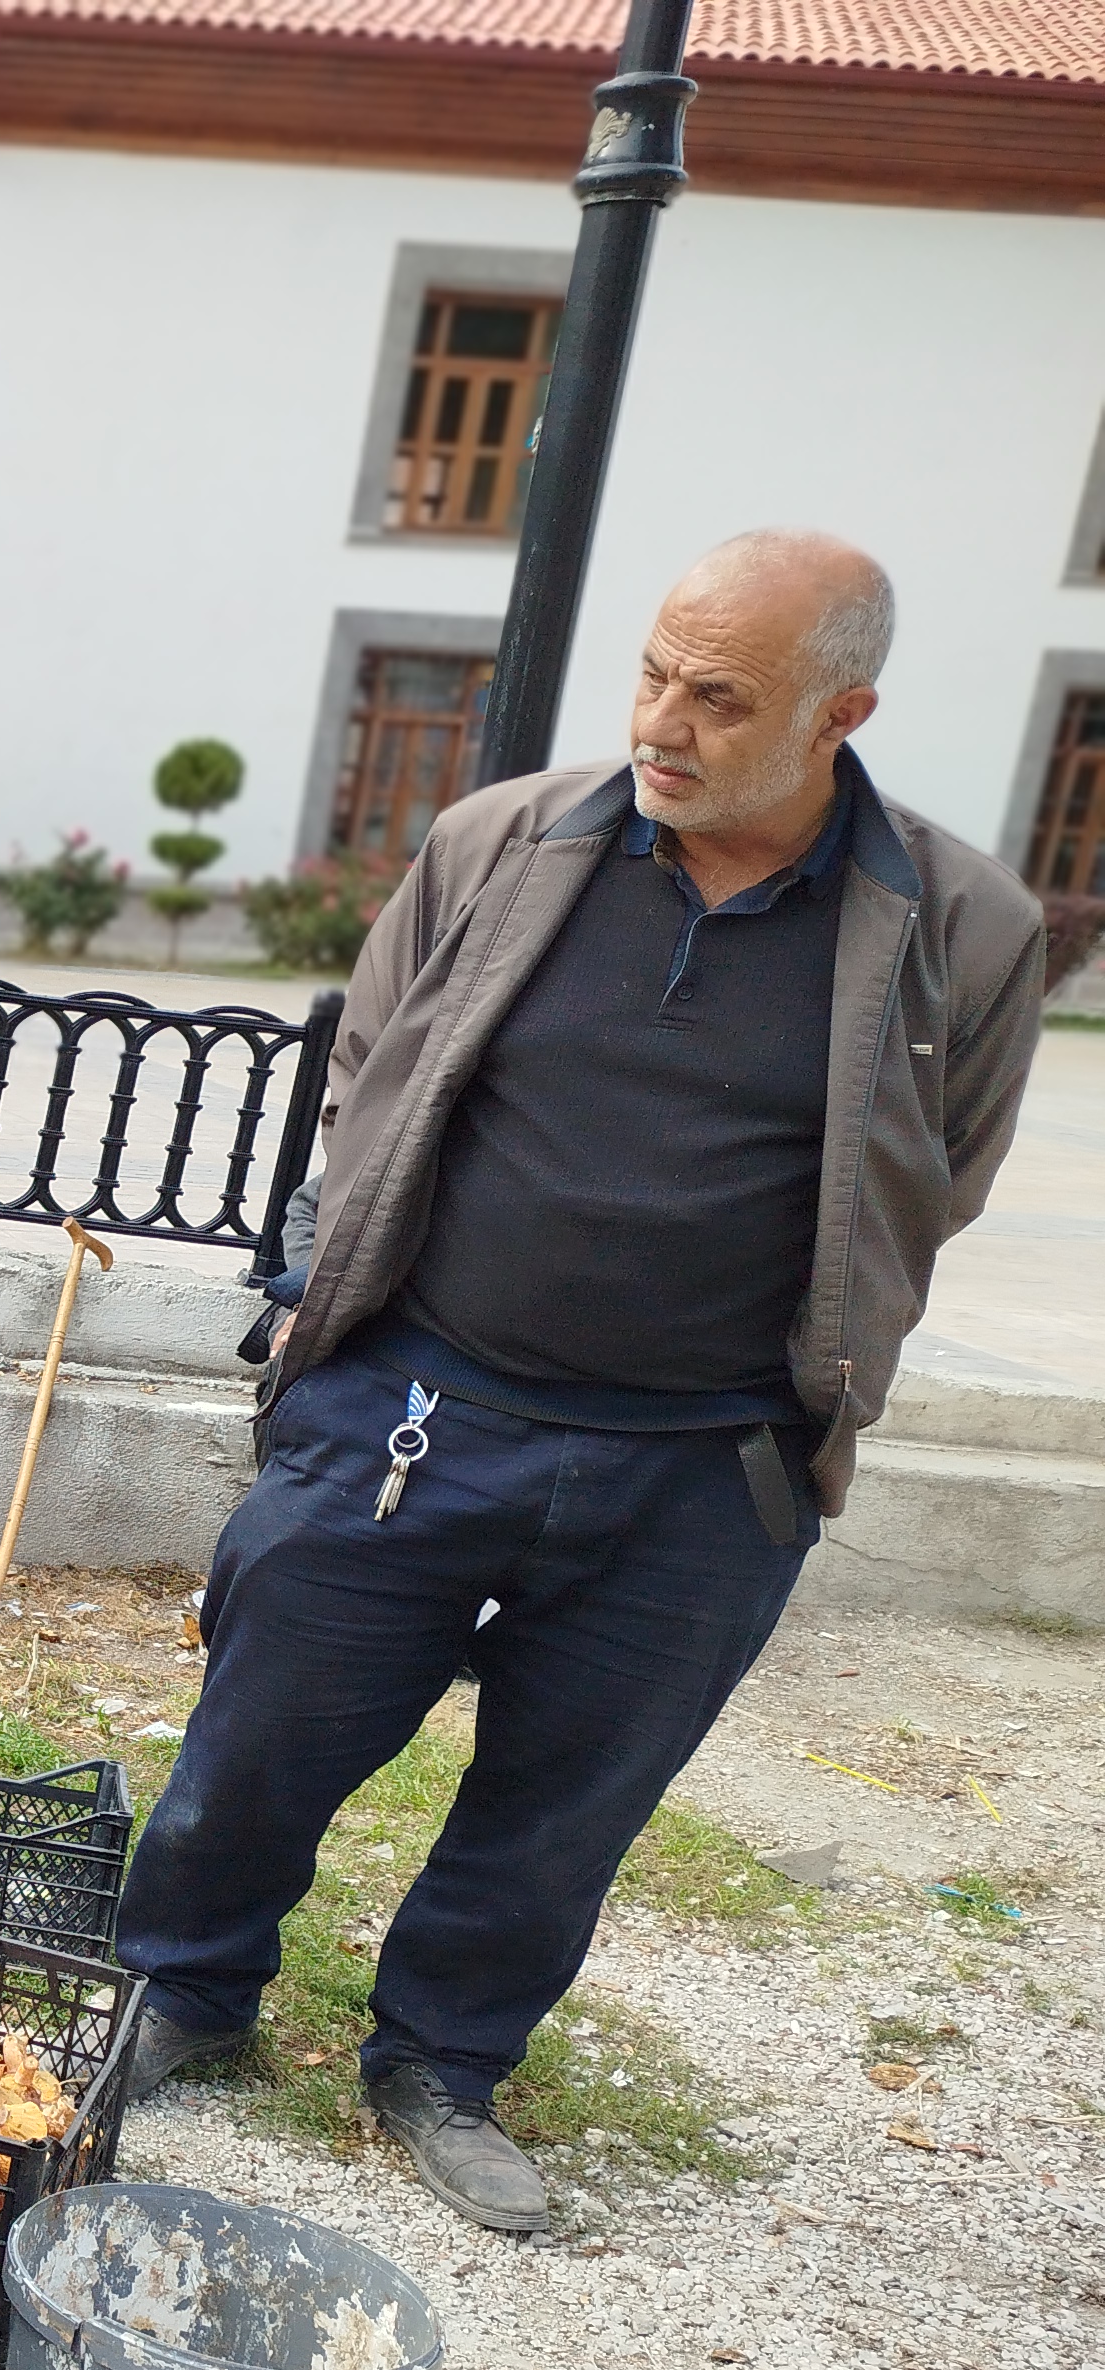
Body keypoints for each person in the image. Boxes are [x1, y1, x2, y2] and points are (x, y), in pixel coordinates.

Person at [118, 532, 1050, 2233]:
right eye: (653, 673)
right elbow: (374, 1076)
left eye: (721, 696)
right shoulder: (504, 842)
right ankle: (183, 1989)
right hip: (411, 1413)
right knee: (262, 1733)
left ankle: (443, 2063)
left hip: (704, 1472)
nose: (665, 722)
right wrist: (321, 1318)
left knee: (567, 1805)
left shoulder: (963, 926)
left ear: (845, 712)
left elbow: (945, 1167)